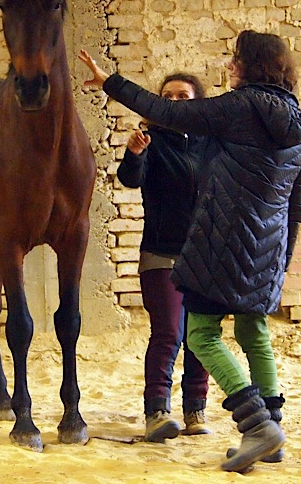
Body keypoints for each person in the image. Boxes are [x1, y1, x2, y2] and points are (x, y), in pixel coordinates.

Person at [78, 31, 301, 472]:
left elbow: (165, 111)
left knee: (201, 334)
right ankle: (274, 434)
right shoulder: (300, 122)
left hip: (220, 242)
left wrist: (110, 81)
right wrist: (282, 261)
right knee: (253, 333)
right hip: (268, 248)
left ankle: (258, 425)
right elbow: (296, 204)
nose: (230, 66)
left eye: (236, 59)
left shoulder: (240, 106)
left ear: (252, 65)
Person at [116, 73, 212, 443]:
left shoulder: (211, 143)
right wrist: (135, 154)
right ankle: (157, 411)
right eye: (168, 96)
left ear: (197, 100)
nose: (175, 101)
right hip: (161, 254)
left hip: (204, 258)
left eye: (183, 95)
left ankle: (195, 410)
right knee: (169, 332)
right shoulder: (152, 141)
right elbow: (130, 178)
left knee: (200, 337)